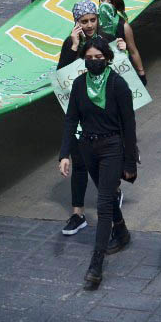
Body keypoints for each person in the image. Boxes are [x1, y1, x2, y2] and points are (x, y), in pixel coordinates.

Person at [58, 38, 138, 290]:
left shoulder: (118, 85)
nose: (94, 62)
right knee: (106, 196)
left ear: (107, 58)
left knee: (103, 203)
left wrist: (130, 160)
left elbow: (129, 126)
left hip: (112, 147)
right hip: (87, 148)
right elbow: (71, 120)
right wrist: (64, 154)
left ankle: (96, 264)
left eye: (98, 58)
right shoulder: (80, 85)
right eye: (89, 58)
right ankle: (122, 232)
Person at [99, 0, 146, 82]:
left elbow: (133, 51)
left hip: (118, 70)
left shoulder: (124, 26)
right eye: (102, 0)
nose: (104, 4)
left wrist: (141, 73)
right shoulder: (93, 22)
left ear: (116, 5)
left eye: (109, 2)